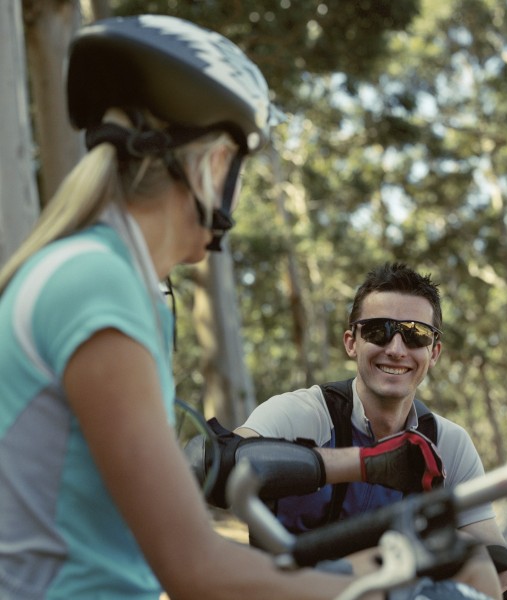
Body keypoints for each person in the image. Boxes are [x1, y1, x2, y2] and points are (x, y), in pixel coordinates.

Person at [0, 14, 415, 600]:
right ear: (215, 162)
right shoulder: (97, 282)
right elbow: (194, 569)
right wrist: (389, 580)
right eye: (239, 169)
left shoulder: (101, 273)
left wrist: (360, 571)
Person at [201, 263, 507, 599]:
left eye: (415, 334)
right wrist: (366, 462)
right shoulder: (303, 413)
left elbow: (493, 556)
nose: (396, 348)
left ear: (434, 352)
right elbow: (213, 464)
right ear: (352, 342)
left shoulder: (448, 442)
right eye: (378, 331)